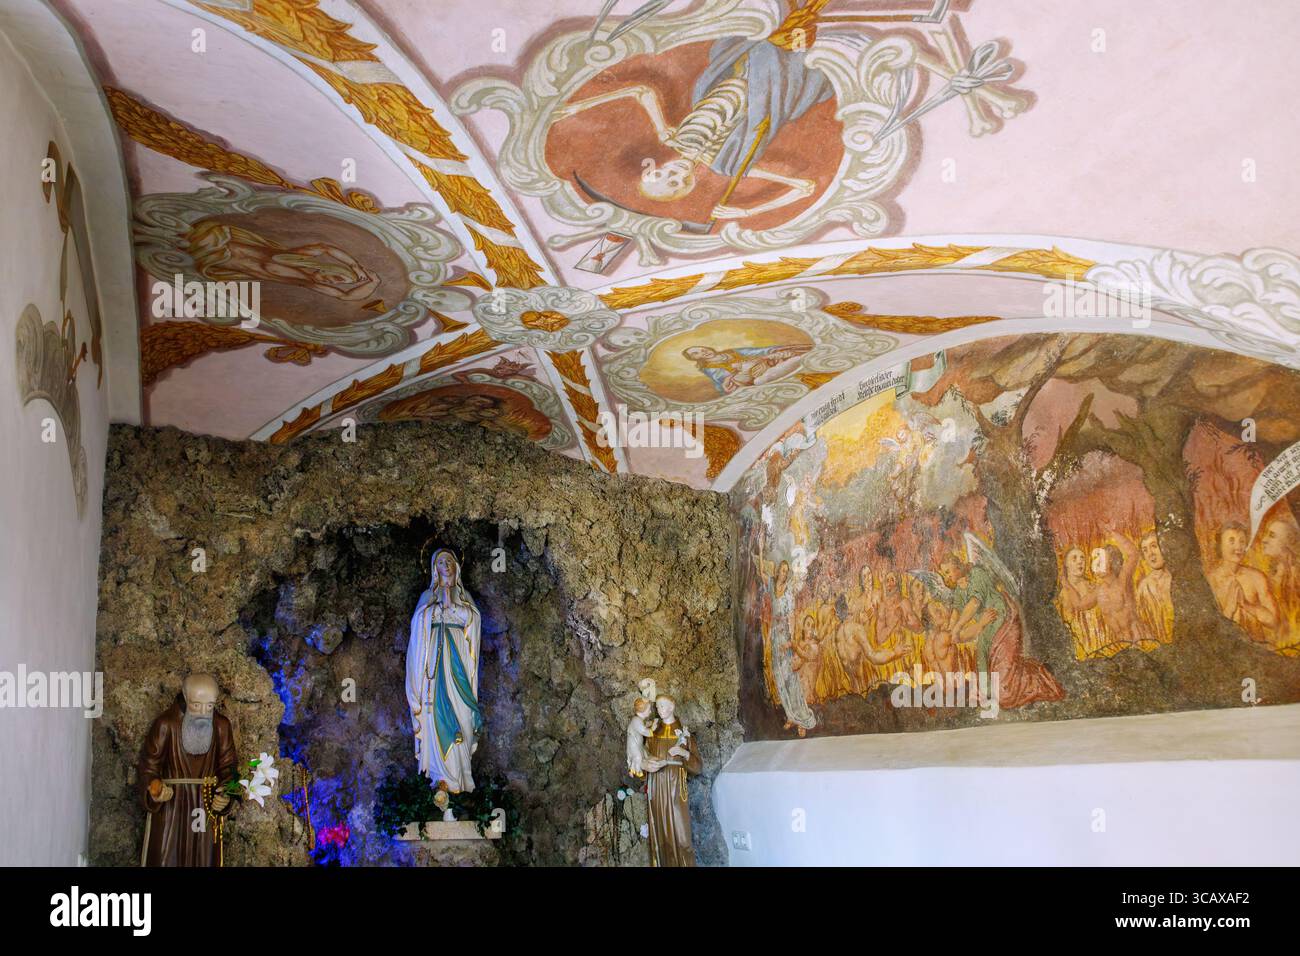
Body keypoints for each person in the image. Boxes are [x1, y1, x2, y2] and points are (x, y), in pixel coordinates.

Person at [137, 673, 239, 867]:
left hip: (206, 803)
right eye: (196, 705)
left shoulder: (221, 726)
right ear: (185, 696)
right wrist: (155, 788)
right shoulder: (166, 724)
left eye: (209, 706)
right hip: (172, 805)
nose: (202, 712)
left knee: (203, 858)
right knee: (166, 857)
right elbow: (149, 766)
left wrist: (226, 793)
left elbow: (230, 767)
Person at [406, 549, 484, 793]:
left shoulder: (465, 596)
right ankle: (438, 779)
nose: (445, 565)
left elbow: (474, 622)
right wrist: (437, 608)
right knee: (432, 715)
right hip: (433, 666)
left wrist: (453, 606)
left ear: (456, 567)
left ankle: (460, 778)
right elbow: (418, 626)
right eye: (440, 562)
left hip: (459, 664)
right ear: (434, 568)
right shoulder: (428, 596)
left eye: (449, 561)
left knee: (462, 714)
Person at [642, 695, 703, 867]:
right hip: (657, 785)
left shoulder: (684, 733)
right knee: (659, 832)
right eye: (658, 706)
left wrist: (684, 754)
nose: (660, 710)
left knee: (681, 832)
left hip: (676, 787)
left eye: (663, 706)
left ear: (672, 706)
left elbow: (698, 767)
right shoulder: (652, 733)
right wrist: (645, 764)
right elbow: (642, 758)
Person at [1207, 522, 1278, 644]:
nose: (1238, 547)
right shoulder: (1210, 581)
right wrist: (1230, 608)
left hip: (1258, 649)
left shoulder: (1257, 577)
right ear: (1220, 546)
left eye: (1242, 541)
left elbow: (1274, 621)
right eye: (1231, 541)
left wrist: (1246, 604)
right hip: (1225, 648)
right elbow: (1209, 631)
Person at [1135, 532, 1175, 646]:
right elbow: (1142, 623)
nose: (1150, 554)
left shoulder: (1175, 579)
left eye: (1154, 546)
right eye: (1145, 550)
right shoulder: (1144, 587)